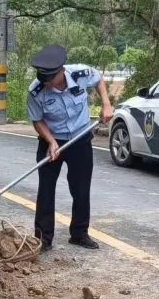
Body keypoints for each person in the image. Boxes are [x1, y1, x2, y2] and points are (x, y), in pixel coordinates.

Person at [26, 44, 113, 252]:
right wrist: (50, 141)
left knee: (81, 188)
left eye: (49, 78)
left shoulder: (80, 73)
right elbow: (37, 120)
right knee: (46, 189)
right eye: (43, 78)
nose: (45, 82)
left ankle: (79, 233)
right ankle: (43, 238)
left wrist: (106, 102)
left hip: (80, 138)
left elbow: (98, 79)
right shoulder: (35, 90)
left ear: (61, 71)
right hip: (51, 142)